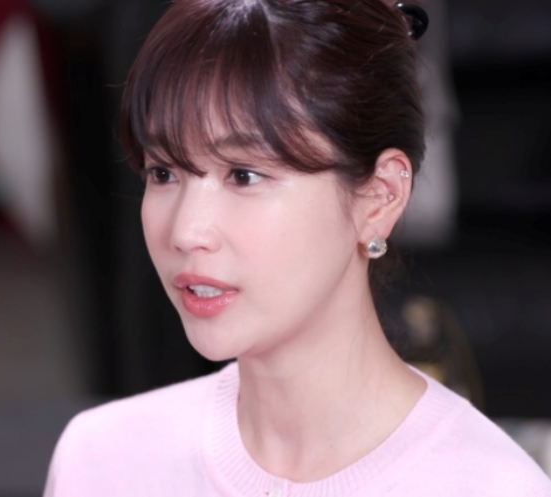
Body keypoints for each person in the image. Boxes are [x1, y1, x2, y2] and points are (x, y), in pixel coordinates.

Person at [44, 0, 551, 495]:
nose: (185, 231)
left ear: (380, 196)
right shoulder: (102, 459)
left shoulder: (490, 486)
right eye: (162, 172)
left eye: (244, 175)